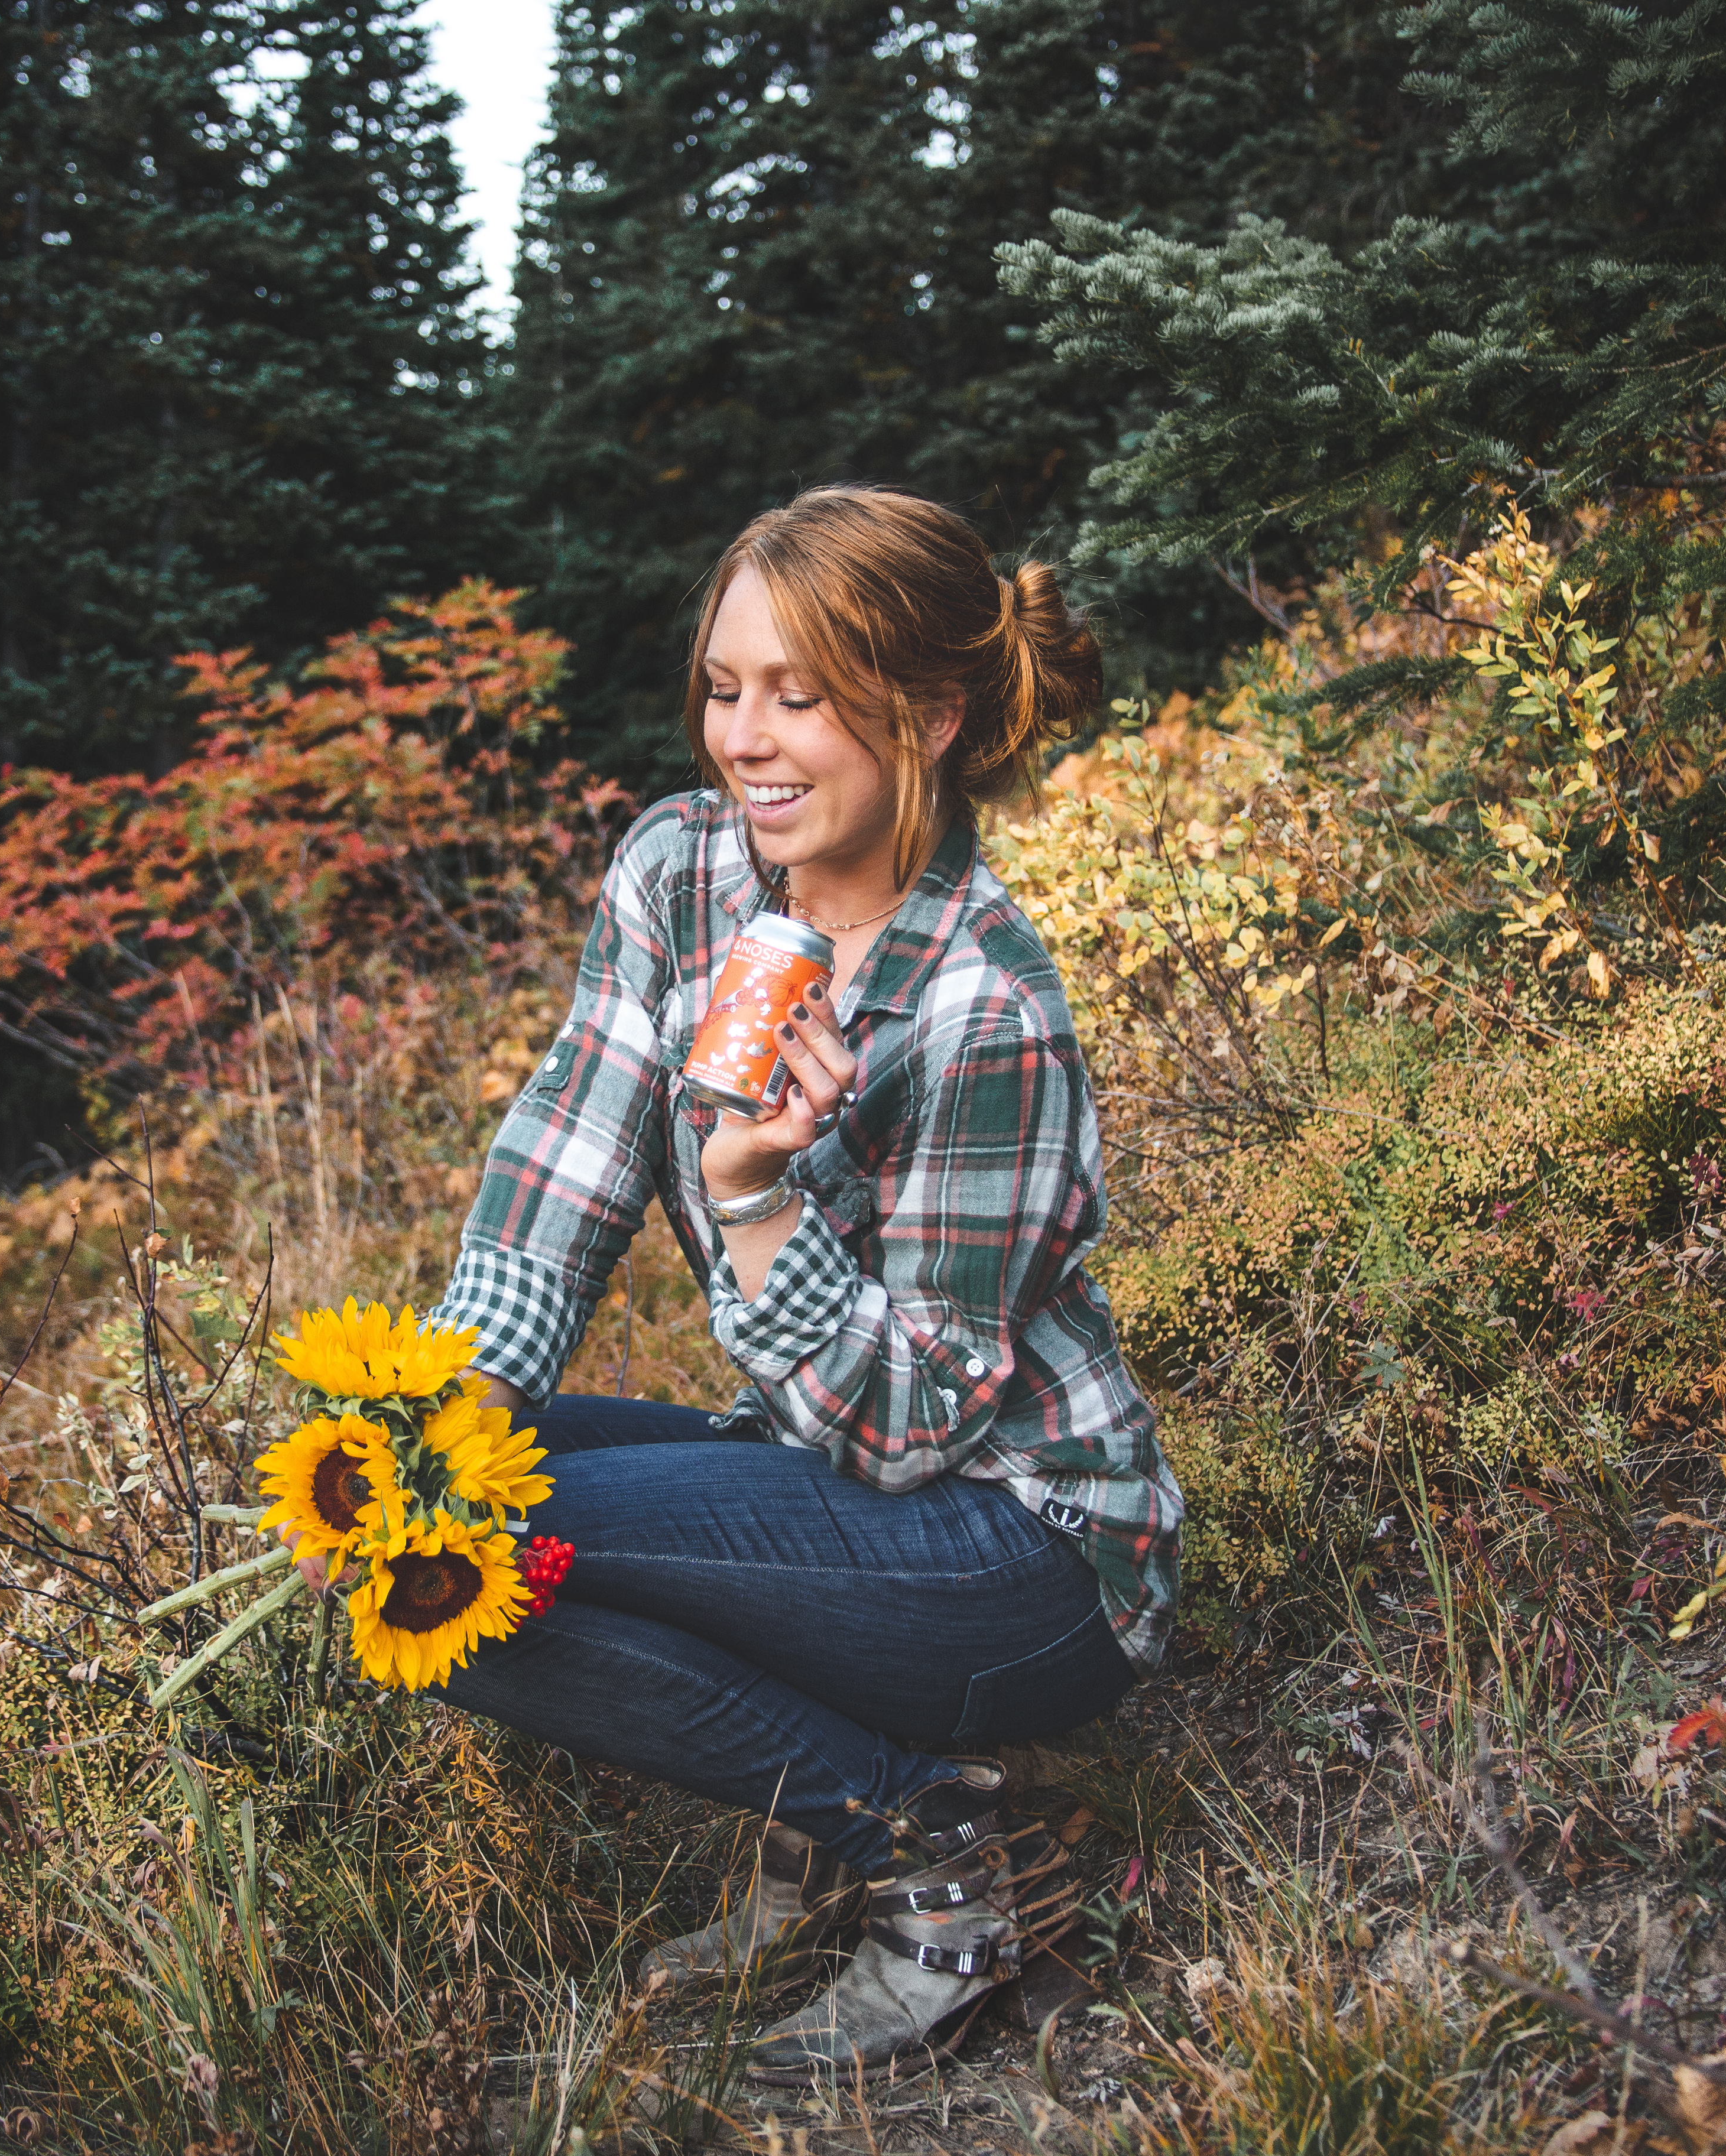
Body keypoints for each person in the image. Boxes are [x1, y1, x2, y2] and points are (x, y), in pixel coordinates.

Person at [420, 485, 1183, 2082]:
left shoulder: (987, 1012)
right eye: (722, 687)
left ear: (930, 716)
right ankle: (817, 1806)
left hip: (1025, 1555)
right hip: (815, 1473)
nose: (744, 741)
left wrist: (756, 1192)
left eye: (801, 695)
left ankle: (937, 1866)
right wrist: (438, 1410)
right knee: (417, 1542)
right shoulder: (683, 876)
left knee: (481, 1551)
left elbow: (909, 1432)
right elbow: (564, 1165)